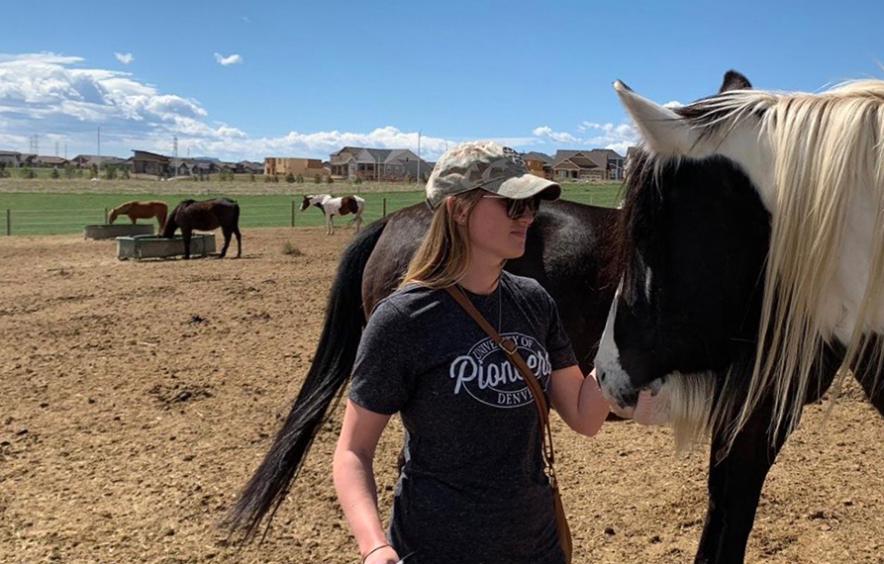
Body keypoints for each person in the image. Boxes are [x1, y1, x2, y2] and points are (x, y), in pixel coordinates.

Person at [332, 141, 610, 564]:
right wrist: (374, 545)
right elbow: (353, 451)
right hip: (434, 548)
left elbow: (583, 417)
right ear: (459, 210)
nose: (529, 216)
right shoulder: (404, 319)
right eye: (512, 204)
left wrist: (623, 343)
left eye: (531, 203)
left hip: (536, 546)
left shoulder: (534, 302)